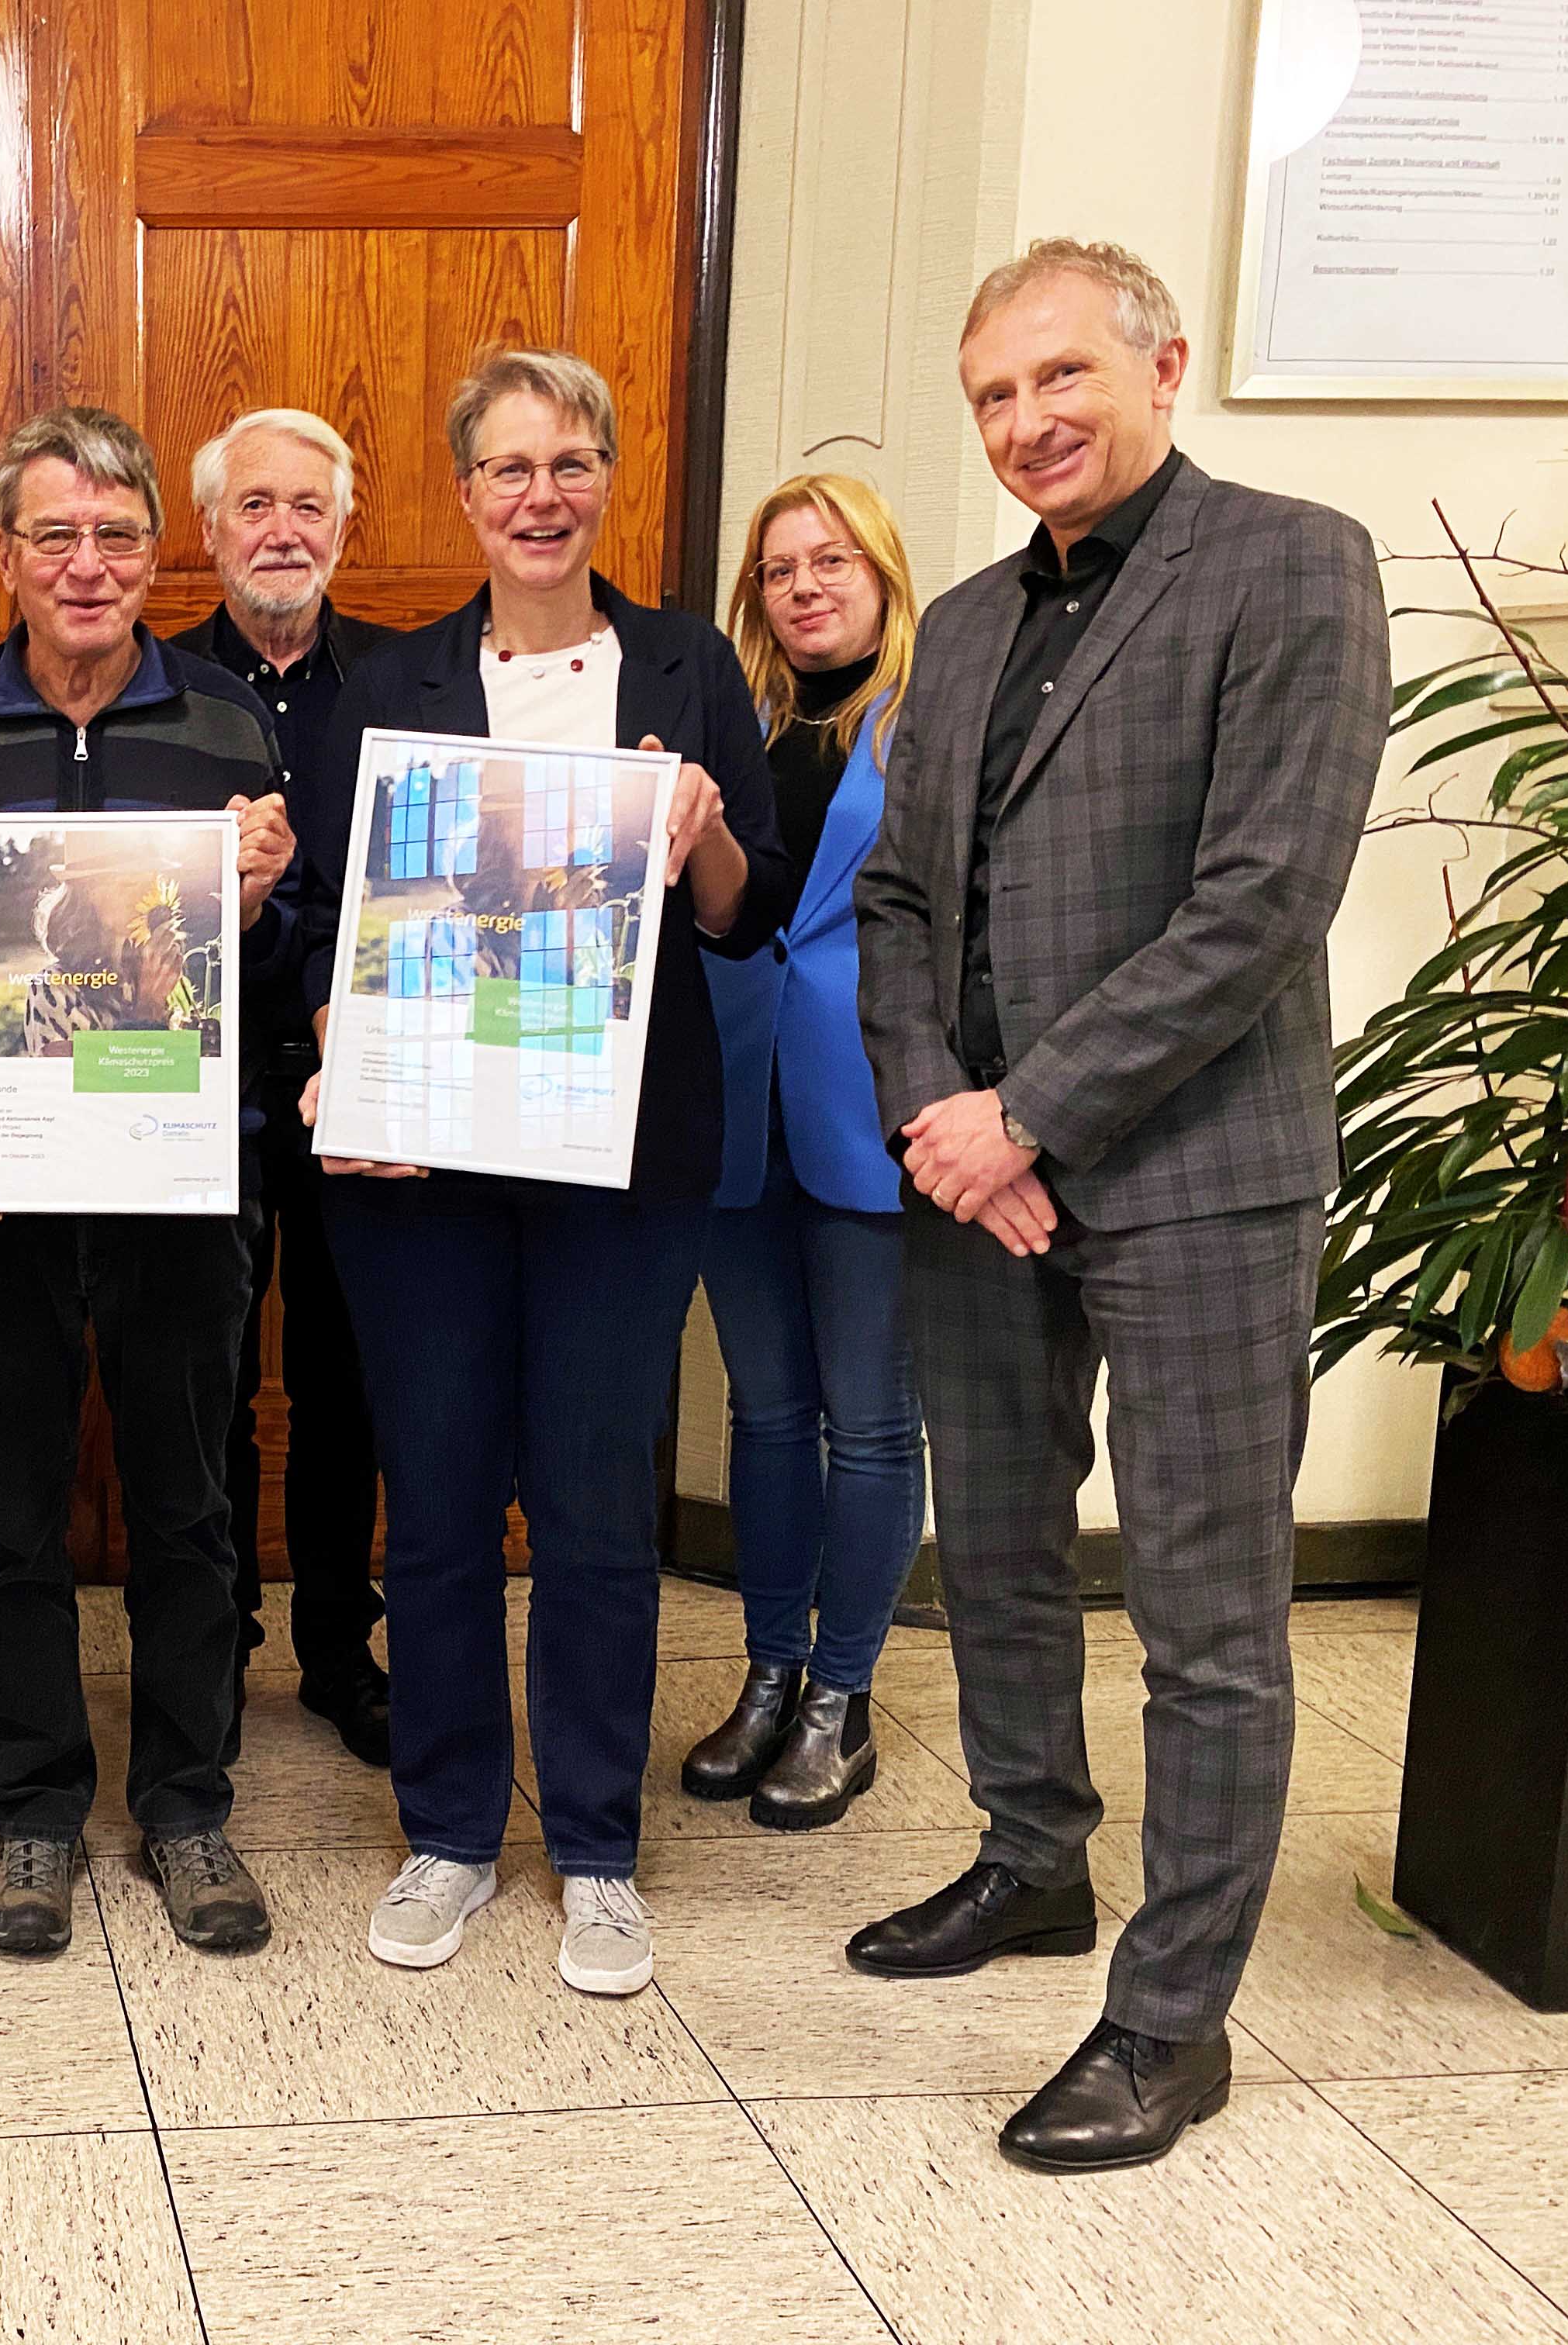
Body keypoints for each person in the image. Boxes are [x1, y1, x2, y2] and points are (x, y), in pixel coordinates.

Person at [849, 240, 1386, 2173]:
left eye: (1061, 379)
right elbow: (904, 903)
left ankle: (1172, 2022)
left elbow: (1263, 896)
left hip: (1194, 1181)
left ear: (1162, 366)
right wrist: (937, 1116)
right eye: (993, 396)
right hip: (976, 1187)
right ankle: (1031, 1861)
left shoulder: (1290, 563)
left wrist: (1029, 1119)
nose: (1026, 424)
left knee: (1206, 1619)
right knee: (992, 1554)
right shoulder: (974, 621)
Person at [292, 348, 793, 1988]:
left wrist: (698, 821)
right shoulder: (393, 680)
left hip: (622, 1157)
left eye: (571, 463)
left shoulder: (682, 663)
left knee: (590, 1504)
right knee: (432, 1497)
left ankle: (593, 1843)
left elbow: (742, 910)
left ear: (607, 478)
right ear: (464, 494)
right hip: (424, 1157)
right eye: (509, 468)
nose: (540, 495)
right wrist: (340, 1057)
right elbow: (335, 922)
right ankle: (446, 1831)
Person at [0, 405, 299, 1960]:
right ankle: (37, 1811)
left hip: (186, 1188)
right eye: (57, 535)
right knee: (12, 1505)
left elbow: (293, 979)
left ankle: (187, 1808)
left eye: (117, 536)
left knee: (190, 1506)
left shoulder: (236, 732)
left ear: (152, 554)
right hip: (5, 1193)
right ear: (8, 555)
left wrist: (255, 906)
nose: (89, 564)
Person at [678, 474, 928, 1830]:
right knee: (767, 1414)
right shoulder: (739, 721)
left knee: (874, 1421)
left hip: (875, 1108)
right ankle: (770, 1677)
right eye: (779, 569)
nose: (807, 586)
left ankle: (844, 1695)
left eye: (833, 559)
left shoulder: (937, 724)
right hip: (734, 1101)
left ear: (884, 574)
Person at [167, 409, 399, 1767]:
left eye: (308, 505)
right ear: (210, 531)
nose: (282, 529)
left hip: (363, 1083)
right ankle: (214, 1638)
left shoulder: (402, 683)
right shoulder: (159, 688)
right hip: (192, 1084)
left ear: (343, 526)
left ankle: (333, 1644)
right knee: (200, 1374)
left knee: (343, 1374)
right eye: (254, 504)